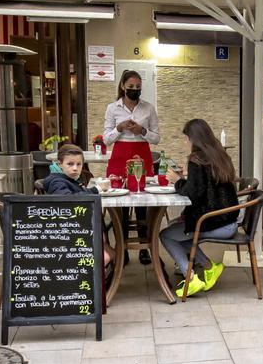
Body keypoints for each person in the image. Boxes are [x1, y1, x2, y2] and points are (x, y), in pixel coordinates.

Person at [161, 119, 239, 297]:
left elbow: (194, 194)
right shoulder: (219, 155)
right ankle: (210, 268)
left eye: (186, 138)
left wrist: (177, 181)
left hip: (214, 222)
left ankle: (191, 278)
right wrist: (188, 177)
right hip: (228, 220)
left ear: (193, 139)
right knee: (180, 230)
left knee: (166, 235)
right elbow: (205, 186)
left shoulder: (196, 159)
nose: (185, 142)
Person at [104, 70, 160, 266]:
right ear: (122, 86)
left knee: (143, 203)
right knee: (121, 203)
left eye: (138, 87)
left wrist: (141, 130)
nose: (134, 90)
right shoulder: (112, 108)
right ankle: (123, 248)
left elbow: (156, 138)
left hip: (141, 152)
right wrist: (119, 129)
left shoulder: (148, 108)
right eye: (131, 87)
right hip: (120, 154)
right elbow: (106, 139)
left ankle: (144, 248)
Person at [44, 143, 114, 282]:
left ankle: (100, 283)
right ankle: (90, 285)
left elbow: (78, 194)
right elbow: (69, 201)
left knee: (111, 250)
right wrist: (95, 191)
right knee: (107, 255)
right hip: (66, 235)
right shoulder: (57, 182)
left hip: (74, 229)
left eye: (79, 164)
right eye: (70, 164)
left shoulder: (66, 179)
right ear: (60, 164)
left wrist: (96, 189)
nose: (75, 168)